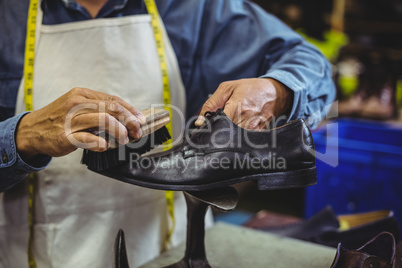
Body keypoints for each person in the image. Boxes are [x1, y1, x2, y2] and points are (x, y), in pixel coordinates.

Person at [0, 0, 335, 267]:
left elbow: (313, 63)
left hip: (171, 251)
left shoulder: (194, 8)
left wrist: (275, 91)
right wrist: (21, 136)